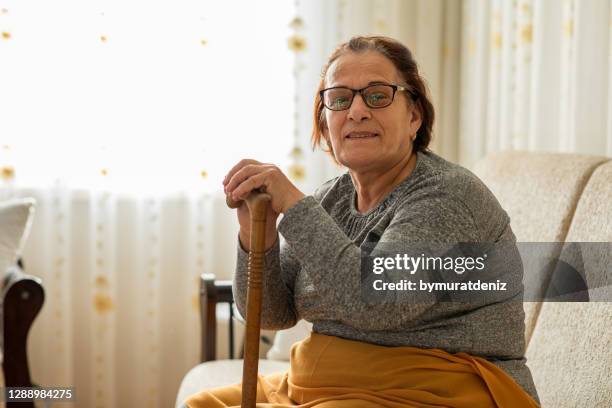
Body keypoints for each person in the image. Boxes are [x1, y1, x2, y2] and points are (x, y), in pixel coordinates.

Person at [185, 35, 540, 407]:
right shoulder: (331, 199)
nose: (356, 111)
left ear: (414, 117)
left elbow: (375, 303)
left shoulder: (447, 196)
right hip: (328, 387)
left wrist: (292, 203)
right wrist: (255, 234)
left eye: (377, 95)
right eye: (339, 99)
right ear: (325, 123)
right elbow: (272, 312)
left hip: (433, 392)